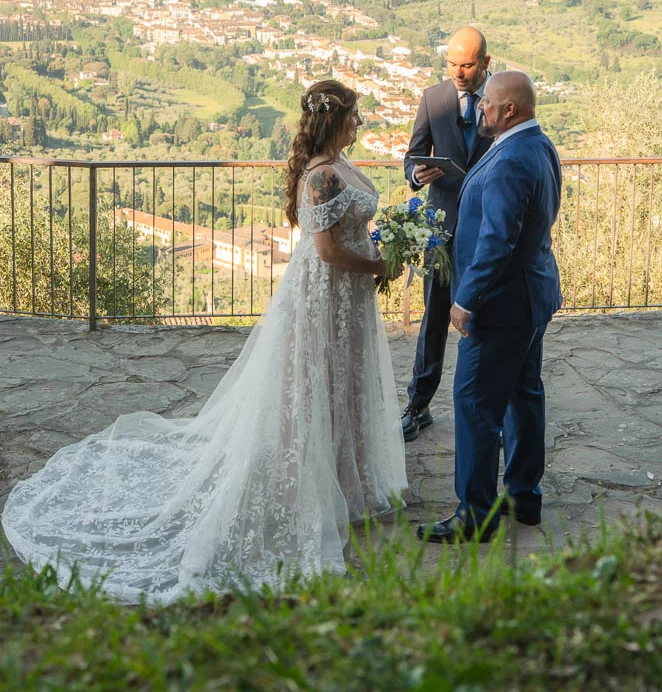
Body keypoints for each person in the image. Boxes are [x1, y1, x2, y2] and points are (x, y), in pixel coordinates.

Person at [2, 80, 406, 603]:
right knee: (311, 384)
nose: (360, 122)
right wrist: (377, 262)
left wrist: (387, 244)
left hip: (348, 300)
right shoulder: (321, 177)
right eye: (355, 114)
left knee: (344, 381)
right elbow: (327, 251)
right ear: (337, 118)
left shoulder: (341, 163)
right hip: (326, 293)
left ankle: (347, 479)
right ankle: (305, 484)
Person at [417, 71, 562, 543]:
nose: (480, 109)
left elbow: (498, 241)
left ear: (510, 111)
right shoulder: (541, 146)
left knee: (475, 401)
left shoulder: (509, 160)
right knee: (524, 394)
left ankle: (475, 514)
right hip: (533, 294)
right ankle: (524, 497)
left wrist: (465, 300)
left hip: (501, 305)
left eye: (489, 105)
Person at [401, 27, 493, 440]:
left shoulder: (502, 99)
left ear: (486, 63)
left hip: (487, 231)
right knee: (433, 320)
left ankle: (490, 411)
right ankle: (418, 405)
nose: (459, 72)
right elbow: (411, 157)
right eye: (453, 64)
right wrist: (417, 174)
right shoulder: (432, 99)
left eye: (468, 65)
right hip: (440, 231)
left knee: (486, 320)